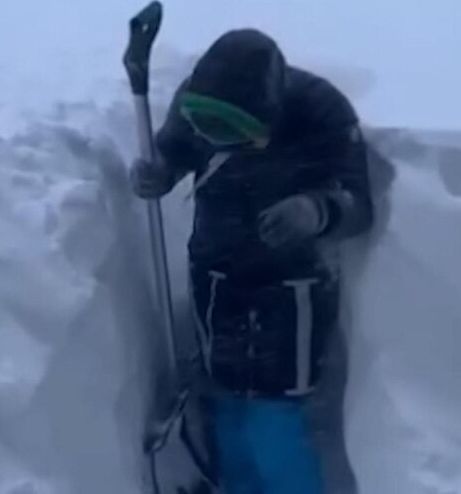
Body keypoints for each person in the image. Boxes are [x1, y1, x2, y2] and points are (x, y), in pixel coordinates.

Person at [129, 28, 374, 494]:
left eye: (238, 134)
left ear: (269, 115)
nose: (222, 144)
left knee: (273, 423)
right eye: (211, 132)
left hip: (289, 290)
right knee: (227, 412)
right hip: (215, 279)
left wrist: (314, 210)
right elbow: (177, 146)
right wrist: (160, 169)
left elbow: (357, 202)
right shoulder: (198, 100)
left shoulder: (320, 110)